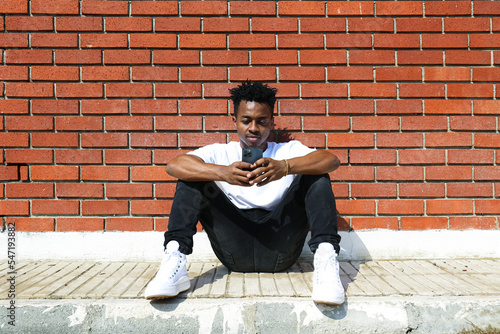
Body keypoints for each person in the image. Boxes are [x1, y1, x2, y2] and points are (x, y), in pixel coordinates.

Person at [145, 81, 344, 305]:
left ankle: (326, 265)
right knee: (192, 176)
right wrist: (223, 173)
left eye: (262, 121)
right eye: (246, 120)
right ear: (235, 121)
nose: (253, 128)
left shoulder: (286, 151)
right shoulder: (220, 152)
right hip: (233, 250)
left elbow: (331, 160)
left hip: (280, 247)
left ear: (271, 122)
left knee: (316, 173)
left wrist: (284, 167)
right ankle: (175, 261)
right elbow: (174, 166)